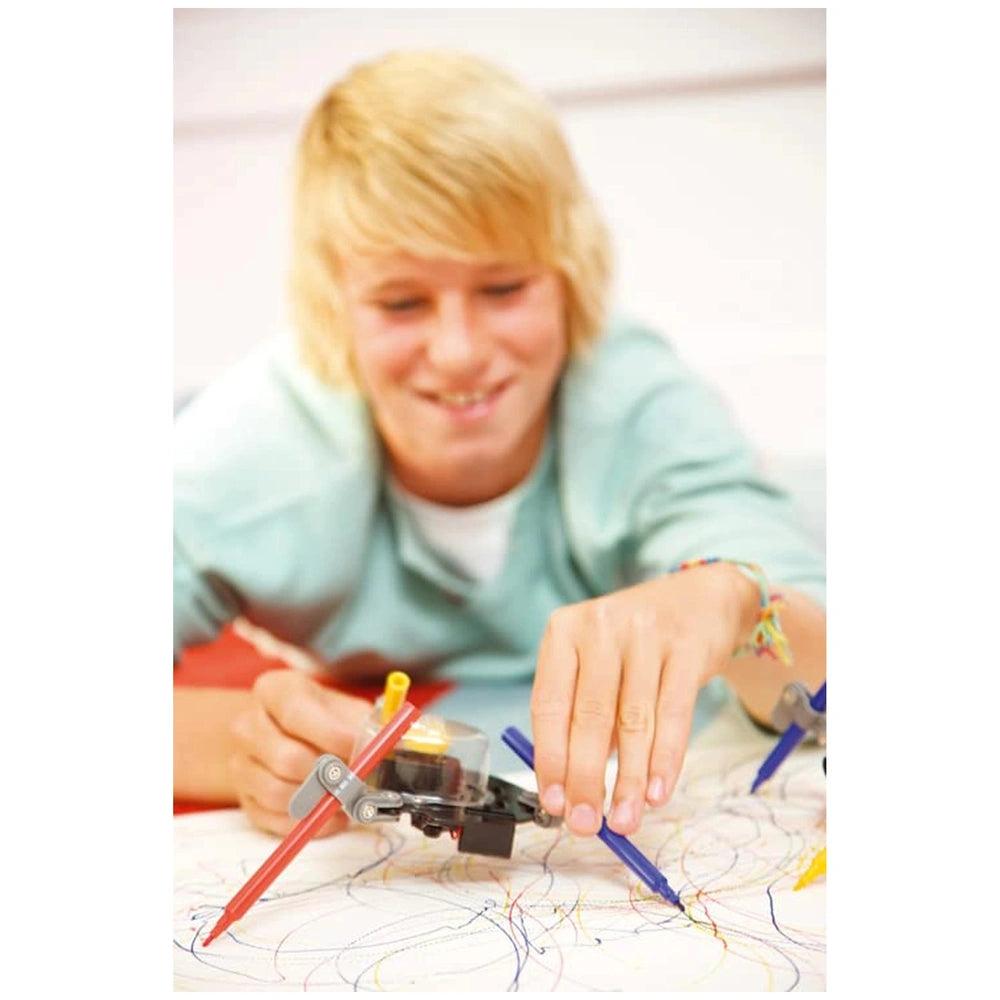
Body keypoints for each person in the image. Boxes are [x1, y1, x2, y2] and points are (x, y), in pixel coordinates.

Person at [174, 50, 826, 843]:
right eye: (402, 301)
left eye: (504, 288)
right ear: (330, 307)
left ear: (573, 277)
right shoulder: (250, 450)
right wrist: (241, 742)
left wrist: (733, 597)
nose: (458, 352)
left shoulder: (643, 408)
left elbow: (825, 667)